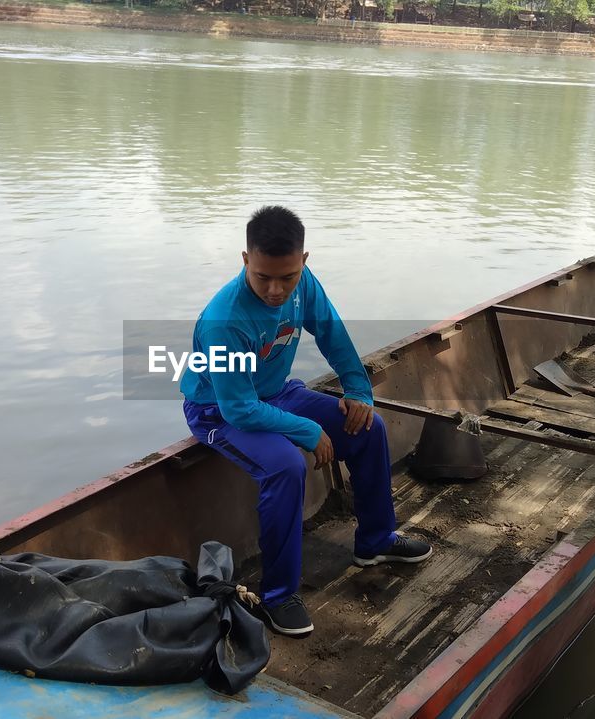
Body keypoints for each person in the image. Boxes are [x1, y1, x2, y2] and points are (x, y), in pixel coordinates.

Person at [179, 206, 432, 637]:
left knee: (369, 428)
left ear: (304, 261)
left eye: (287, 277)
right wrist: (308, 430)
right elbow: (239, 409)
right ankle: (278, 596)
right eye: (263, 277)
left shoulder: (305, 285)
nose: (276, 290)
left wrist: (358, 391)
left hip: (277, 392)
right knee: (285, 464)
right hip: (219, 410)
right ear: (245, 261)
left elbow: (332, 332)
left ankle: (375, 541)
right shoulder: (226, 319)